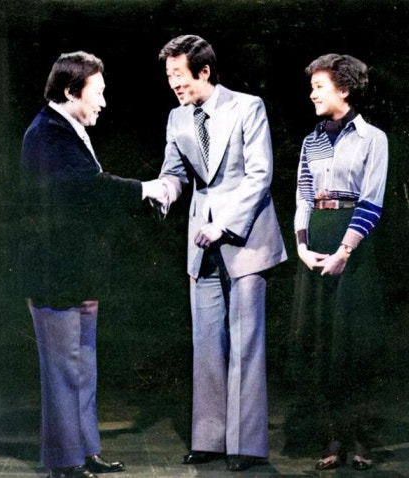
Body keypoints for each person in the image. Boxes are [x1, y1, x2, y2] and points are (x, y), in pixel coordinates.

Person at [19, 51, 166, 478]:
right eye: (97, 93)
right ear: (70, 91)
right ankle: (64, 461)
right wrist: (146, 189)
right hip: (56, 274)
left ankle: (85, 451)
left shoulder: (68, 130)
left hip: (79, 272)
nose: (103, 102)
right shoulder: (46, 133)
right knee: (64, 369)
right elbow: (88, 187)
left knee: (83, 365)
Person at [155, 34, 287, 472]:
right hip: (202, 243)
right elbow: (174, 173)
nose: (174, 83)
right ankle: (210, 439)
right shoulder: (177, 117)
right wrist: (163, 191)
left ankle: (245, 446)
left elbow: (259, 175)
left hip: (245, 237)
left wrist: (224, 224)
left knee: (245, 341)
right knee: (207, 341)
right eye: (169, 76)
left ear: (204, 70)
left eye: (179, 74)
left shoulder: (247, 107)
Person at [290, 53, 388, 471]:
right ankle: (333, 435)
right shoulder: (311, 141)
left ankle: (361, 437)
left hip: (353, 247)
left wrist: (345, 251)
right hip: (317, 243)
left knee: (353, 342)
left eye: (319, 86)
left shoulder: (372, 138)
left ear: (344, 89)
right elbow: (302, 196)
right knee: (321, 342)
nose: (312, 94)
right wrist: (301, 245)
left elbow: (372, 200)